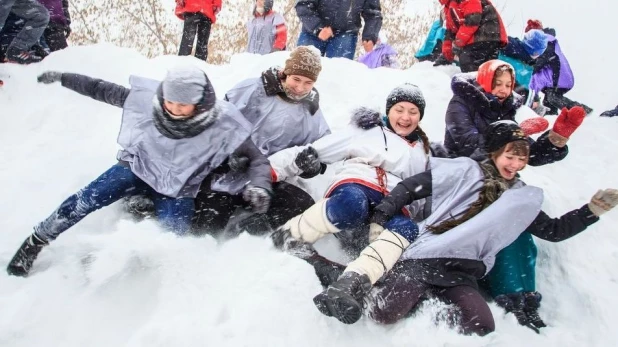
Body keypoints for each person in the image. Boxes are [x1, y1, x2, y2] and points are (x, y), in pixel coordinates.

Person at [313, 121, 618, 335]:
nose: (515, 164)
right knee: (384, 313)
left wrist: (591, 211)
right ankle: (351, 284)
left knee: (481, 324)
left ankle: (426, 303)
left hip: (463, 270)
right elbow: (412, 187)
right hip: (424, 258)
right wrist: (383, 212)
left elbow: (553, 230)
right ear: (496, 153)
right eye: (510, 156)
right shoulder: (465, 172)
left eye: (521, 159)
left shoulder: (519, 199)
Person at [6, 66, 272, 277]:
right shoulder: (150, 101)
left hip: (178, 188)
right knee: (85, 199)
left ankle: (128, 272)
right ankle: (35, 241)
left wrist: (261, 186)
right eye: (170, 101)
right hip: (137, 167)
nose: (174, 108)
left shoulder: (223, 123)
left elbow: (257, 160)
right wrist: (65, 77)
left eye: (183, 104)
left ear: (201, 102)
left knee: (173, 240)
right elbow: (101, 89)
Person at [269, 84, 431, 286]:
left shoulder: (424, 152)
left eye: (413, 112)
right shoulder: (367, 130)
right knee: (353, 203)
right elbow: (315, 151)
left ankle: (357, 279)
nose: (405, 117)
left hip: (393, 205)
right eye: (399, 110)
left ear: (420, 116)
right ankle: (289, 234)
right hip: (357, 185)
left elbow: (423, 197)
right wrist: (268, 170)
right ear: (389, 110)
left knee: (406, 228)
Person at [192, 46, 330, 236]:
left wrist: (312, 167)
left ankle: (245, 233)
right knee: (210, 215)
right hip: (229, 170)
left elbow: (323, 150)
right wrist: (229, 153)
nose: (300, 88)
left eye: (308, 83)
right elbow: (219, 122)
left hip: (270, 177)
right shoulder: (253, 89)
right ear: (285, 73)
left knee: (301, 205)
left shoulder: (312, 112)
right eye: (296, 79)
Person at [444, 60, 585, 166]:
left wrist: (555, 139)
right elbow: (468, 144)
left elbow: (529, 155)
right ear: (484, 81)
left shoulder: (504, 108)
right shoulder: (460, 103)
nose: (503, 90)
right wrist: (510, 135)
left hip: (493, 172)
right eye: (497, 84)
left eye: (508, 85)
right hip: (460, 169)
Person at [526, 20, 592, 115]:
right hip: (554, 79)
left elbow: (543, 59)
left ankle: (582, 111)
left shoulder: (547, 42)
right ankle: (551, 117)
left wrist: (531, 69)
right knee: (549, 100)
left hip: (559, 78)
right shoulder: (545, 42)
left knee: (553, 97)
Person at [295, 0, 382, 59]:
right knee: (300, 69)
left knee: (338, 74)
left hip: (346, 33)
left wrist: (370, 36)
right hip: (312, 32)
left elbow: (373, 13)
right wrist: (317, 27)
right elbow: (303, 4)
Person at [438, 0, 507, 72]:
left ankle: (475, 81)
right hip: (482, 37)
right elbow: (450, 32)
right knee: (488, 69)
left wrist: (458, 43)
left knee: (467, 59)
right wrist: (446, 55)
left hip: (487, 33)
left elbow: (472, 20)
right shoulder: (448, 7)